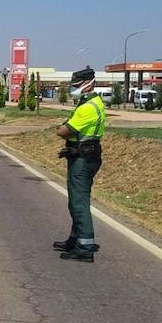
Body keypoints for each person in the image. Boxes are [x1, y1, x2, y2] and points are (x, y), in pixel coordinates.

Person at [54, 67, 106, 262]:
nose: (73, 89)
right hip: (84, 155)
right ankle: (75, 239)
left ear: (87, 84)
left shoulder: (87, 108)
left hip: (83, 159)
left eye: (76, 86)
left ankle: (84, 248)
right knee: (76, 200)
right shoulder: (94, 103)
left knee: (79, 202)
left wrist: (60, 128)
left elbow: (64, 131)